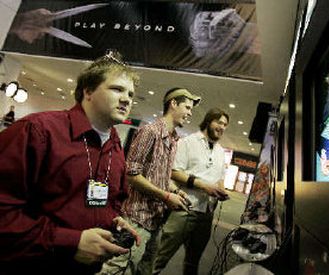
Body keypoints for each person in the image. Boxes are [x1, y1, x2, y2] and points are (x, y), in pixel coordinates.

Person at [0, 51, 141, 274]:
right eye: (117, 89)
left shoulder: (115, 147)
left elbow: (111, 201)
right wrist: (70, 240)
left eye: (131, 94)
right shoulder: (39, 131)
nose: (126, 99)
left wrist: (112, 221)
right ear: (88, 91)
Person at [99, 87, 201, 275]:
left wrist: (176, 192)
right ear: (173, 104)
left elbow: (162, 177)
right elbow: (131, 174)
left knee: (145, 270)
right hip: (136, 218)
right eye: (187, 107)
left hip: (156, 221)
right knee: (117, 269)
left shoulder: (173, 140)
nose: (189, 113)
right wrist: (166, 196)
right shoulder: (150, 132)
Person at [153, 108, 230, 275]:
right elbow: (173, 172)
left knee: (192, 263)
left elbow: (220, 178)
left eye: (225, 125)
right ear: (209, 121)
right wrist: (203, 185)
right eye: (219, 122)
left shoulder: (221, 152)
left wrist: (221, 191)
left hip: (206, 215)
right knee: (159, 258)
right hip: (184, 209)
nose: (222, 127)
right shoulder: (188, 142)